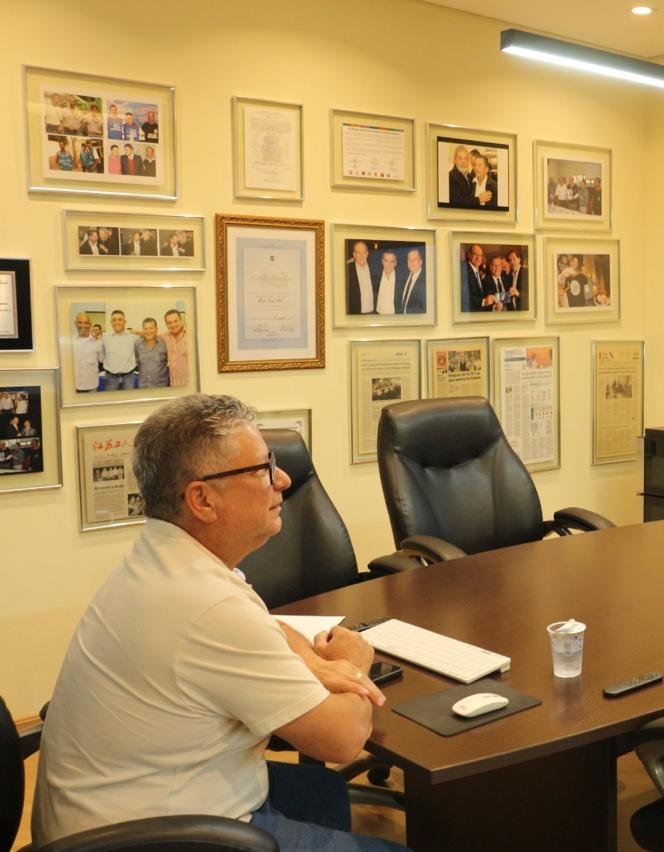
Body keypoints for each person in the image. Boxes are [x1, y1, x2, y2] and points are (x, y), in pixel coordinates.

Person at [32, 394, 407, 851]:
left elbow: (266, 625)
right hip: (148, 839)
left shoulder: (168, 558)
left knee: (323, 792)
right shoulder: (207, 605)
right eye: (264, 469)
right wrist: (353, 661)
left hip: (124, 807)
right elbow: (343, 740)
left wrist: (312, 663)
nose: (283, 480)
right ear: (203, 499)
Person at [101, 309, 138, 390]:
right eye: (114, 320)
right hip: (110, 378)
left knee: (128, 398)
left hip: (129, 378)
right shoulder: (105, 337)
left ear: (124, 322)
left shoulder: (133, 337)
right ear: (111, 322)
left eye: (120, 320)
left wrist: (137, 331)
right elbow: (101, 356)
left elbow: (149, 335)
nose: (117, 322)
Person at [72, 312, 104, 393]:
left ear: (90, 324)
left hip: (92, 387)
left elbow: (102, 359)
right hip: (74, 387)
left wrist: (101, 344)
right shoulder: (70, 341)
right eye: (80, 322)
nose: (83, 326)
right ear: (75, 323)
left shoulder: (97, 342)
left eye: (86, 323)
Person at [134, 317, 170, 388]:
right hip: (143, 387)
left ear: (156, 329)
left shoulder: (164, 343)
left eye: (151, 328)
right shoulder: (137, 345)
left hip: (161, 387)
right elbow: (138, 362)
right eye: (145, 329)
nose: (148, 331)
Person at [345, 240, 376, 314]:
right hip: (355, 313)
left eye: (364, 252)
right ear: (354, 254)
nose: (361, 255)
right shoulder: (347, 270)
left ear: (367, 254)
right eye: (358, 252)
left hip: (373, 313)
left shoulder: (374, 268)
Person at [160, 309, 190, 387]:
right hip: (173, 386)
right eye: (169, 323)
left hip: (189, 386)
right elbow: (150, 334)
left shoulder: (190, 336)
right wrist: (135, 332)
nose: (173, 325)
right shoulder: (164, 337)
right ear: (166, 324)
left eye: (175, 321)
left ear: (181, 320)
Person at [463, 243, 495, 312]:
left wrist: (493, 302)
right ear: (469, 255)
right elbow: (464, 296)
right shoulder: (463, 270)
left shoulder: (478, 271)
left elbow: (480, 293)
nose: (478, 258)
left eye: (480, 255)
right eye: (475, 254)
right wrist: (483, 301)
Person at [397, 248, 426, 314]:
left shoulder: (426, 281)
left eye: (415, 259)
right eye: (409, 259)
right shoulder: (403, 277)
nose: (412, 262)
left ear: (421, 262)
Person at [374, 251, 398, 315]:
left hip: (394, 317)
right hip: (378, 316)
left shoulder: (400, 278)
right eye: (386, 261)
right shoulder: (376, 277)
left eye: (391, 261)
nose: (388, 264)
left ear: (395, 263)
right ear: (382, 261)